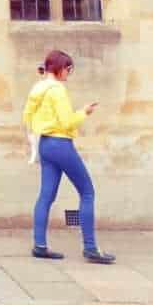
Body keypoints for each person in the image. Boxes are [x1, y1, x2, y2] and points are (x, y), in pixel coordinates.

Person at [22, 49, 115, 264]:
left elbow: (27, 116)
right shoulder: (57, 91)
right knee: (87, 192)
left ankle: (40, 245)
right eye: (68, 69)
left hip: (45, 144)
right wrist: (84, 112)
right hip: (61, 144)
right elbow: (67, 122)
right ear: (60, 68)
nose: (68, 74)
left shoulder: (38, 89)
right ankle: (91, 248)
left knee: (46, 196)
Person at [25, 64, 47, 165]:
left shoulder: (51, 85)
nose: (42, 73)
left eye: (43, 70)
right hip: (36, 117)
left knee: (40, 139)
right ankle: (35, 155)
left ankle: (38, 157)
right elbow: (30, 105)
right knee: (34, 138)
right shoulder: (37, 86)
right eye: (41, 71)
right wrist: (27, 120)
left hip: (44, 118)